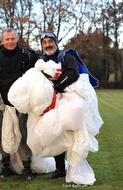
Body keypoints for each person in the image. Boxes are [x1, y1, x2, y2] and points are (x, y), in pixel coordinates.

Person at [0, 28, 37, 179]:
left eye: (13, 39)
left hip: (20, 103)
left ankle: (27, 167)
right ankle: (5, 166)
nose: (10, 42)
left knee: (23, 133)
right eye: (7, 39)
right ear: (2, 41)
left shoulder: (27, 56)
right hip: (2, 103)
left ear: (17, 39)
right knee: (3, 133)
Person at [40, 31, 79, 179]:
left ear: (55, 42)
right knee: (55, 134)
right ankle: (60, 170)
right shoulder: (41, 60)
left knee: (72, 135)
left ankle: (76, 170)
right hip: (50, 103)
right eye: (44, 42)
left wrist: (56, 85)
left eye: (50, 41)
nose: (47, 45)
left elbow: (73, 73)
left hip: (68, 102)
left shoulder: (67, 57)